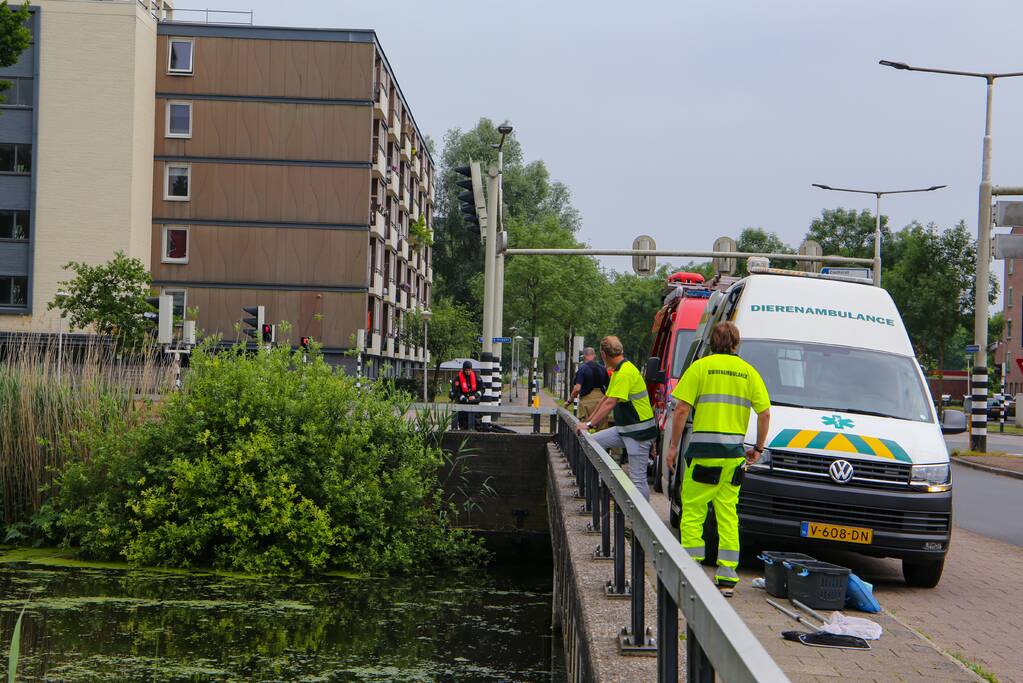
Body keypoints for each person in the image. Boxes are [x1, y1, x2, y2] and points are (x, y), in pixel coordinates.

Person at [665, 321, 770, 597]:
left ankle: (692, 571)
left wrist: (673, 446)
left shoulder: (699, 367)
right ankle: (726, 577)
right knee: (728, 515)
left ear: (712, 342)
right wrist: (757, 448)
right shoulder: (749, 373)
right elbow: (765, 413)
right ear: (737, 344)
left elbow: (681, 409)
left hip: (703, 455)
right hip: (733, 457)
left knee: (694, 512)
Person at [574, 336, 657, 500]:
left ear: (603, 354)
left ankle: (640, 522)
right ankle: (608, 482)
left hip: (638, 433)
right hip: (625, 430)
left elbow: (610, 402)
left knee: (638, 479)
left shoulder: (625, 372)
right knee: (591, 443)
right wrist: (588, 422)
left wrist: (589, 423)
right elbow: (606, 398)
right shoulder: (619, 371)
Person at [565, 347, 609, 430]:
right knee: (602, 430)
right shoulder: (602, 368)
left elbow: (577, 389)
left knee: (584, 430)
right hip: (601, 401)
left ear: (584, 356)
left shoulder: (582, 369)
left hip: (586, 403)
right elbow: (609, 387)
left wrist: (569, 401)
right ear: (594, 355)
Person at [450, 360, 482, 430]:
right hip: (463, 404)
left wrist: (475, 396)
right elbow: (456, 391)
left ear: (471, 370)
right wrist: (463, 398)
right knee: (463, 423)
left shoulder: (477, 378)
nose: (467, 372)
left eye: (469, 370)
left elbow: (482, 389)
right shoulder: (457, 379)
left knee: (476, 423)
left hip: (474, 403)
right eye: (466, 370)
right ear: (463, 369)